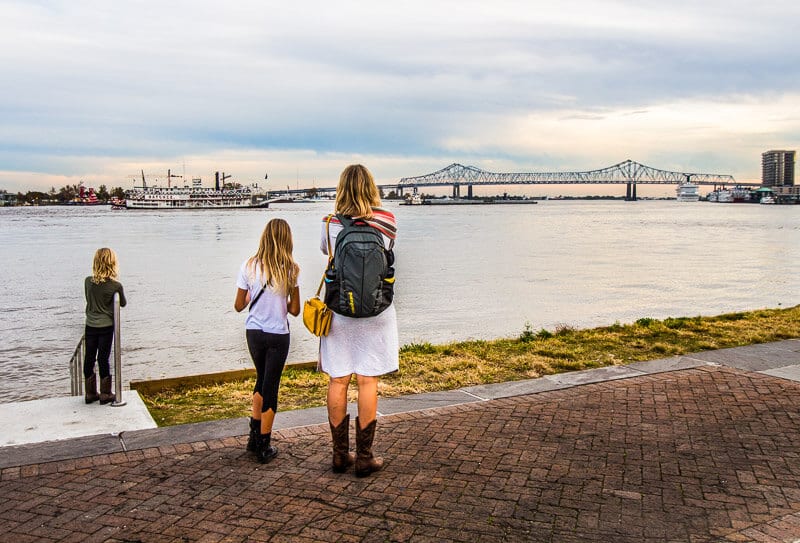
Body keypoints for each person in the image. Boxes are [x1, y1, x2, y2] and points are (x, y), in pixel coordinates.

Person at [320, 164, 398, 477]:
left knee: (338, 380)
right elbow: (389, 255)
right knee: (368, 381)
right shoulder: (388, 221)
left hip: (340, 311)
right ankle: (365, 457)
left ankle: (341, 455)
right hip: (377, 312)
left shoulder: (328, 223)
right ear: (371, 188)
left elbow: (328, 255)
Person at [234, 218, 300, 463]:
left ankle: (253, 437)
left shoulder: (248, 266)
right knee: (271, 386)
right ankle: (264, 444)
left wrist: (252, 294)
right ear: (287, 240)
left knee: (260, 379)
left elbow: (239, 305)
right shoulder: (291, 269)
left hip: (254, 332)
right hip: (278, 334)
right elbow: (294, 310)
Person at [84, 247, 127, 405]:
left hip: (90, 325)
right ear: (112, 263)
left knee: (89, 357)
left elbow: (89, 299)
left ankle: (90, 393)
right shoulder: (115, 286)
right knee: (103, 358)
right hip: (106, 326)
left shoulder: (88, 282)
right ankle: (105, 393)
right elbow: (122, 303)